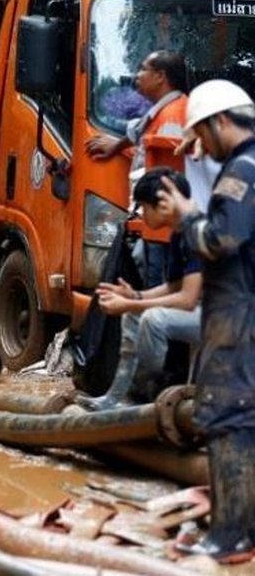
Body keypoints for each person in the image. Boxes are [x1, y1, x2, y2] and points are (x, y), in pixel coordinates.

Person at [159, 79, 255, 563]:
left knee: (227, 417)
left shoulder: (243, 170)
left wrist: (184, 215)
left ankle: (231, 535)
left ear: (219, 122)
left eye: (203, 131)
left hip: (238, 314)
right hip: (243, 309)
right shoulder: (245, 164)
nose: (201, 143)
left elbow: (220, 240)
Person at [79, 168, 202, 410]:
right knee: (134, 316)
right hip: (203, 310)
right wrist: (135, 296)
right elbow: (177, 285)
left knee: (154, 319)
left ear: (162, 204)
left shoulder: (195, 231)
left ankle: (144, 397)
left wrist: (131, 303)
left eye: (145, 207)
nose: (142, 215)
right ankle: (116, 398)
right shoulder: (178, 234)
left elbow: (187, 299)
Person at [87, 50, 195, 287]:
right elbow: (139, 132)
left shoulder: (173, 117)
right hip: (157, 225)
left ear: (160, 77)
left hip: (163, 229)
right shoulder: (163, 110)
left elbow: (168, 168)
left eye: (144, 69)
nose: (137, 75)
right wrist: (118, 145)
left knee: (156, 288)